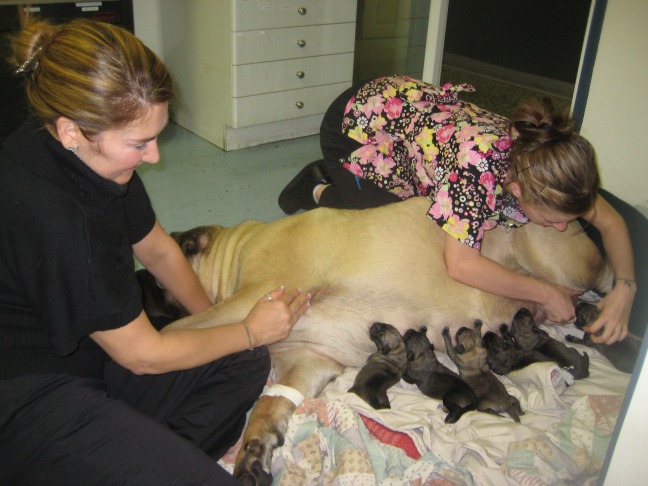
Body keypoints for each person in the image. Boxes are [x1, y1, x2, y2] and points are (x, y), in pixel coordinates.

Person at [0, 16, 311, 485]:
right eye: (139, 143)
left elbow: (161, 253)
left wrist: (224, 320)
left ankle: (137, 456)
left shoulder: (81, 153)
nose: (155, 157)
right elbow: (143, 355)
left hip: (89, 363)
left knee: (241, 361)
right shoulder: (62, 218)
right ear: (71, 131)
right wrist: (249, 328)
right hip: (27, 400)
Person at [278, 75, 639, 345]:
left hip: (413, 119)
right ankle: (318, 186)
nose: (560, 229)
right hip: (357, 128)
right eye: (551, 221)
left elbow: (610, 221)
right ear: (515, 191)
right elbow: (460, 265)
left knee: (438, 217)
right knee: (398, 239)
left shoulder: (548, 162)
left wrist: (626, 288)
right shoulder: (474, 172)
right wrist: (545, 293)